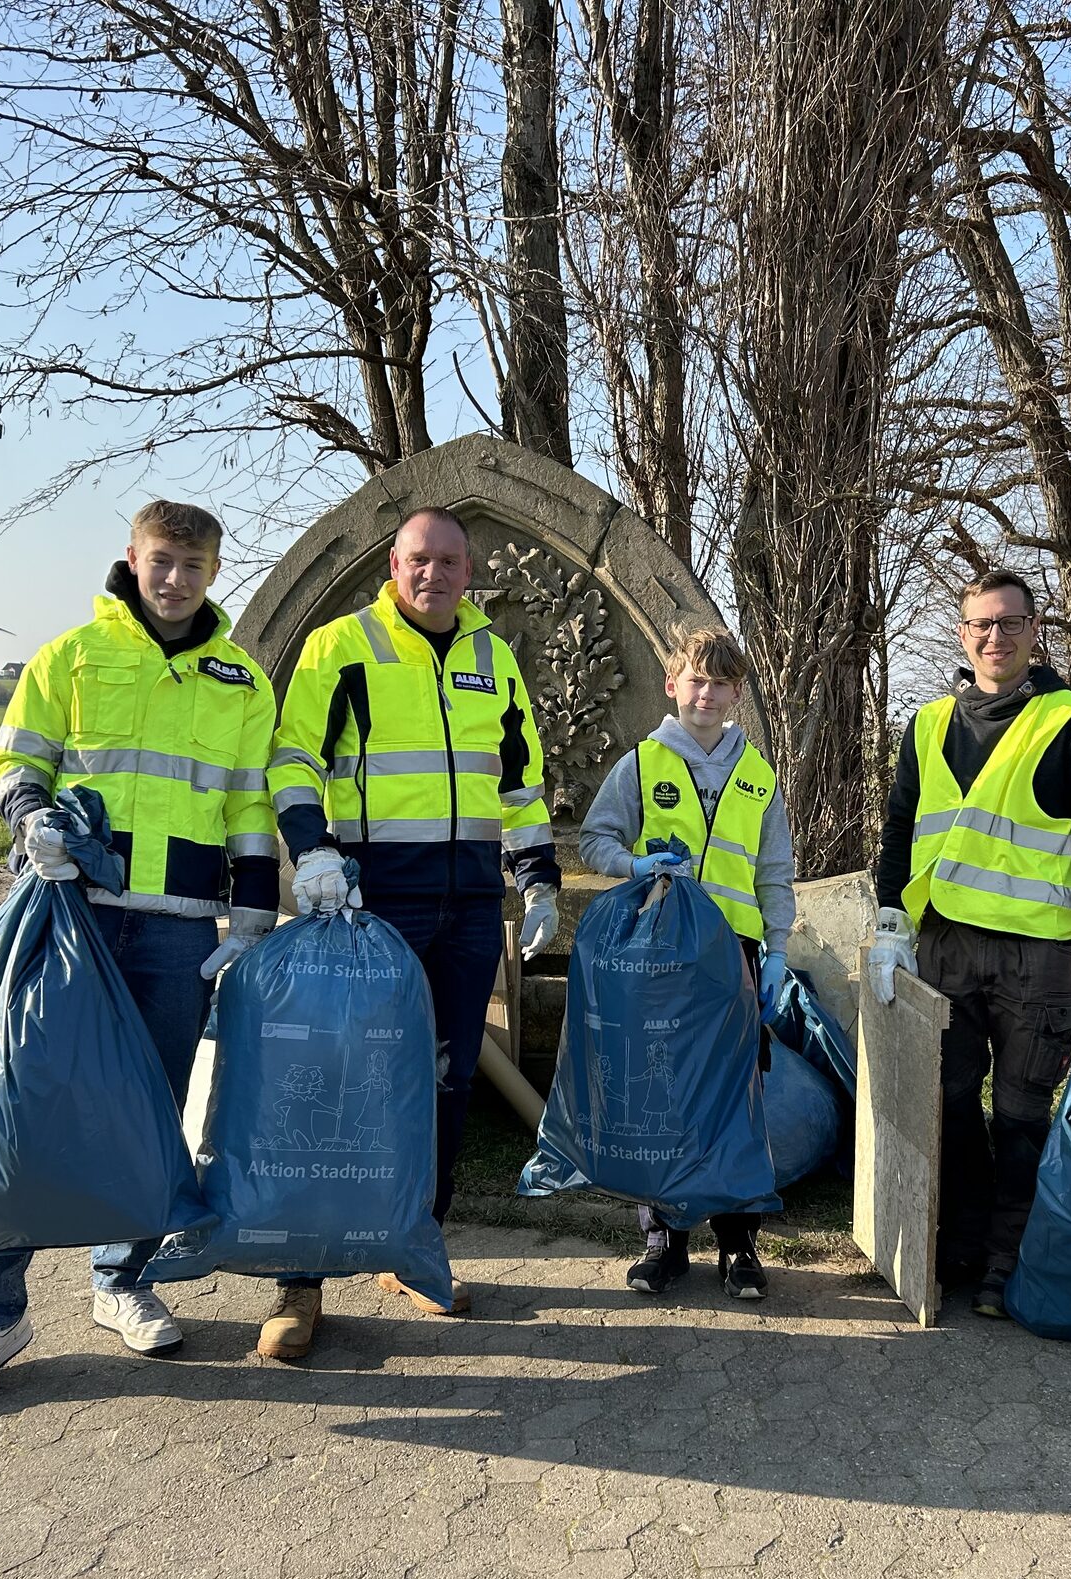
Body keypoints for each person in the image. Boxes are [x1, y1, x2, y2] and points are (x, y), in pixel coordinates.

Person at [0, 500, 281, 1410]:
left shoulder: (241, 677)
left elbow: (247, 805)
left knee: (147, 1116)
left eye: (194, 566)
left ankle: (121, 1281)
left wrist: (253, 914)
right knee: (20, 1108)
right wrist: (32, 817)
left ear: (213, 572)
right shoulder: (70, 656)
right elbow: (17, 760)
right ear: (132, 558)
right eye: (162, 561)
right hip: (69, 917)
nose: (176, 579)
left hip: (176, 927)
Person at [261, 505, 563, 1356]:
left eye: (450, 561)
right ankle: (303, 1281)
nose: (434, 573)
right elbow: (291, 761)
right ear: (392, 566)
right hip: (367, 902)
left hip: (469, 906)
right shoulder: (339, 647)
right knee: (338, 1082)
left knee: (445, 1080)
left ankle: (414, 1245)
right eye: (418, 559)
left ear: (471, 571)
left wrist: (537, 883)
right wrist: (310, 853)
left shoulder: (493, 658)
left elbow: (521, 787)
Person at [866, 571, 1071, 1320]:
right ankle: (956, 1247)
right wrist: (890, 921)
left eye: (1011, 623)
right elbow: (897, 829)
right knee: (946, 1105)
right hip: (943, 947)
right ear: (962, 635)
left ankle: (1005, 1264)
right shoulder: (925, 725)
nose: (996, 637)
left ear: (1034, 629)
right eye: (982, 624)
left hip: (1034, 956)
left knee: (1019, 1115)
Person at [578, 623, 797, 1301]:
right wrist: (634, 864)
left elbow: (775, 873)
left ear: (737, 692)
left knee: (735, 1098)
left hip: (733, 958)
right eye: (695, 680)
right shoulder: (641, 765)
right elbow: (594, 840)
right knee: (658, 1094)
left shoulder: (758, 775)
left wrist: (780, 954)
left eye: (721, 682)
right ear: (673, 684)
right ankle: (663, 1241)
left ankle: (740, 1246)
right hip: (658, 957)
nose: (707, 693)